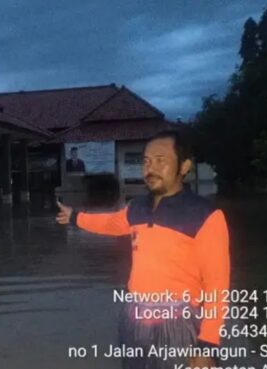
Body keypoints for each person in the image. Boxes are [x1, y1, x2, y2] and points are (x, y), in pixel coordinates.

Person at [56, 130, 229, 369]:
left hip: (181, 324)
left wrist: (208, 344)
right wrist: (76, 217)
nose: (150, 168)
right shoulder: (137, 207)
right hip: (135, 319)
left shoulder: (206, 215)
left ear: (184, 166)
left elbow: (217, 286)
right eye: (146, 161)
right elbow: (111, 223)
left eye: (161, 160)